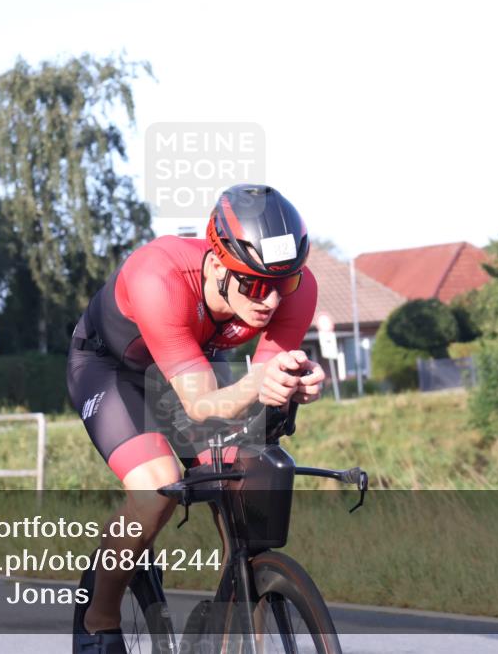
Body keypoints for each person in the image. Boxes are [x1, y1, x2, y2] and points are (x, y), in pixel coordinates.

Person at [68, 184, 325, 653]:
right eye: (254, 283)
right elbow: (203, 404)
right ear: (218, 262)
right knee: (158, 487)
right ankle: (97, 620)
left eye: (283, 282)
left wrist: (295, 383)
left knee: (243, 471)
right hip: (112, 369)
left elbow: (267, 379)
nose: (270, 300)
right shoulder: (157, 276)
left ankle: (234, 608)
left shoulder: (297, 287)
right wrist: (259, 383)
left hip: (193, 362)